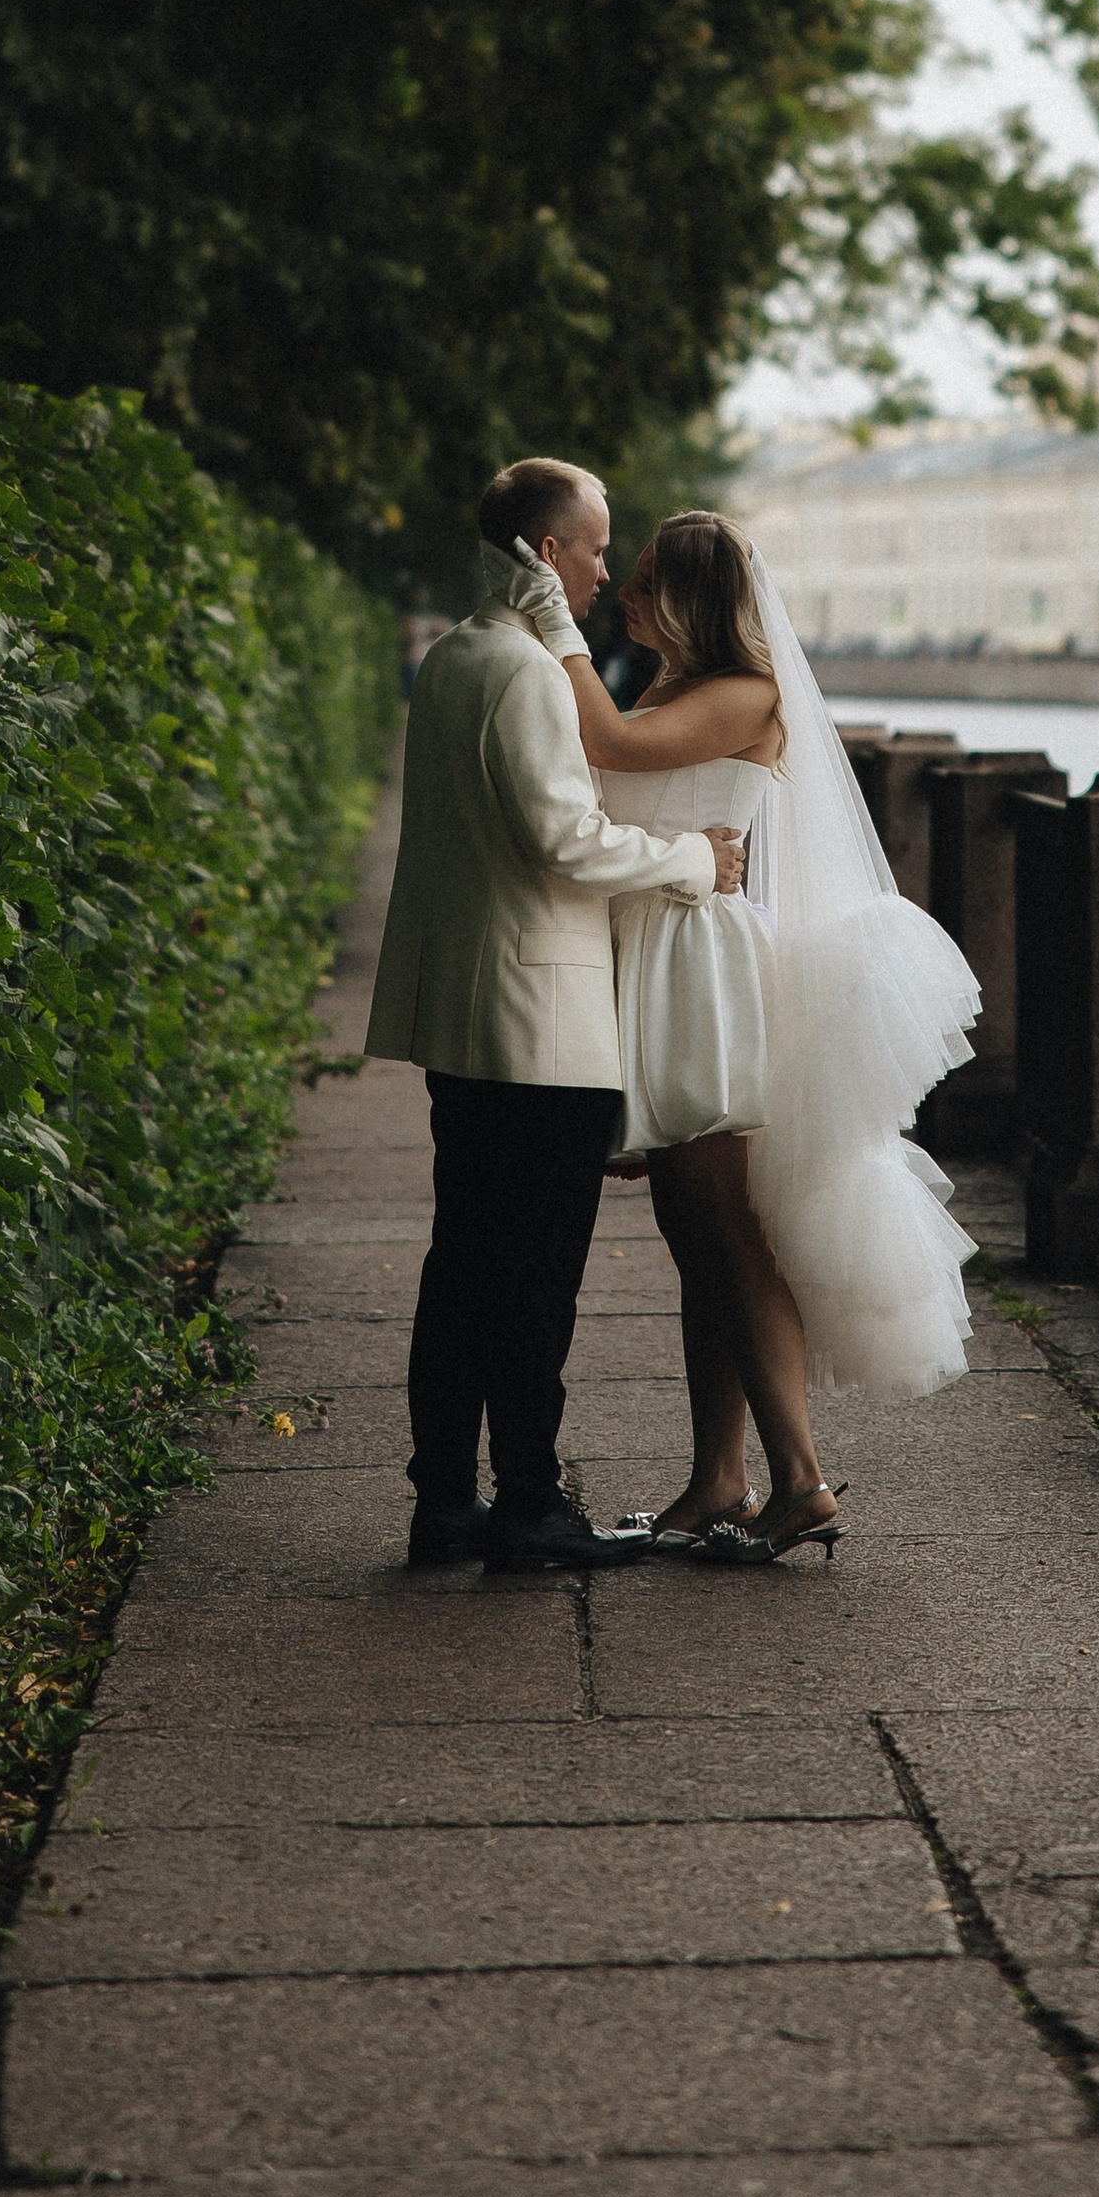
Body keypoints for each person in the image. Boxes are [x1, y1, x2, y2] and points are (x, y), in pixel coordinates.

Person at [536, 510, 982, 1567]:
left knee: (730, 1235)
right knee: (698, 1240)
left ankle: (799, 1479)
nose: (630, 596)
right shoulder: (665, 684)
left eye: (647, 581)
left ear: (694, 598)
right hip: (656, 952)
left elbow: (610, 749)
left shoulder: (742, 694)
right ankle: (717, 1480)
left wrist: (548, 619)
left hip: (697, 964)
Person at [365, 458, 746, 1573]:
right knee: (532, 1280)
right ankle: (529, 1500)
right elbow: (562, 840)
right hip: (537, 1020)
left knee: (463, 1268)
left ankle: (444, 1500)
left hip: (470, 1014)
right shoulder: (529, 672)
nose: (598, 570)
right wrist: (695, 861)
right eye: (588, 546)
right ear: (541, 550)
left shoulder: (451, 656)